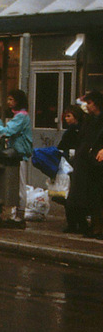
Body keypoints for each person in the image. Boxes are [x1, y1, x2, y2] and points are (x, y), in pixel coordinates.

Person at [0, 89, 33, 228]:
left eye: (11, 99)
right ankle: (17, 214)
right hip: (17, 154)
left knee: (20, 184)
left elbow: (8, 131)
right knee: (17, 184)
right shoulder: (18, 116)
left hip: (19, 155)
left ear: (18, 101)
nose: (8, 102)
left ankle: (19, 216)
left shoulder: (21, 117)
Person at [69, 92, 103, 238]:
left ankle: (99, 227)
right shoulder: (89, 120)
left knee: (99, 194)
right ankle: (95, 226)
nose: (87, 106)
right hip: (89, 160)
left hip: (98, 160)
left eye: (89, 103)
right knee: (93, 195)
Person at [58, 104, 86, 233]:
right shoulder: (72, 131)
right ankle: (78, 223)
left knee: (72, 195)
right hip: (71, 165)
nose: (66, 119)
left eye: (69, 116)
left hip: (75, 165)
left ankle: (75, 223)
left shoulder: (76, 131)